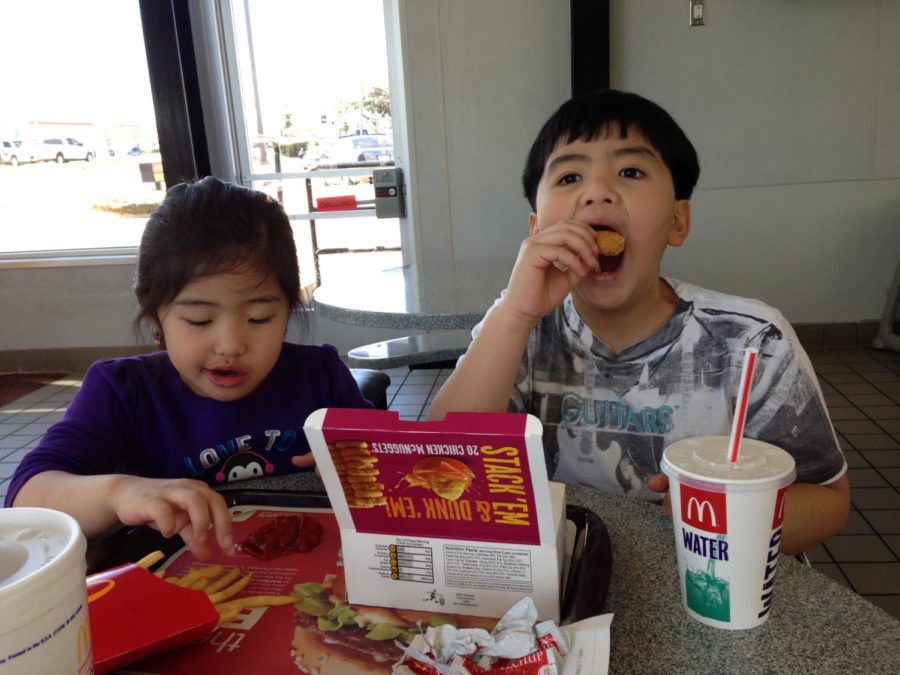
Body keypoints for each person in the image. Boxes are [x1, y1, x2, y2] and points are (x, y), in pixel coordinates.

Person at [428, 89, 849, 555]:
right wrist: (515, 314)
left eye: (630, 171)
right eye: (569, 176)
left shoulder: (750, 340)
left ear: (677, 222)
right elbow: (443, 467)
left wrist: (721, 516)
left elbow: (828, 499)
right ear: (536, 230)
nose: (596, 191)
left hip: (710, 586)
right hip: (562, 584)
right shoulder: (517, 330)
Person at [6, 176, 373, 559]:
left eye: (260, 318)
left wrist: (361, 461)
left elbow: (387, 464)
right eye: (199, 320)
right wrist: (119, 493)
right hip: (171, 589)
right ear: (154, 318)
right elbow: (27, 503)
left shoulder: (320, 376)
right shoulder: (123, 391)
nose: (231, 345)